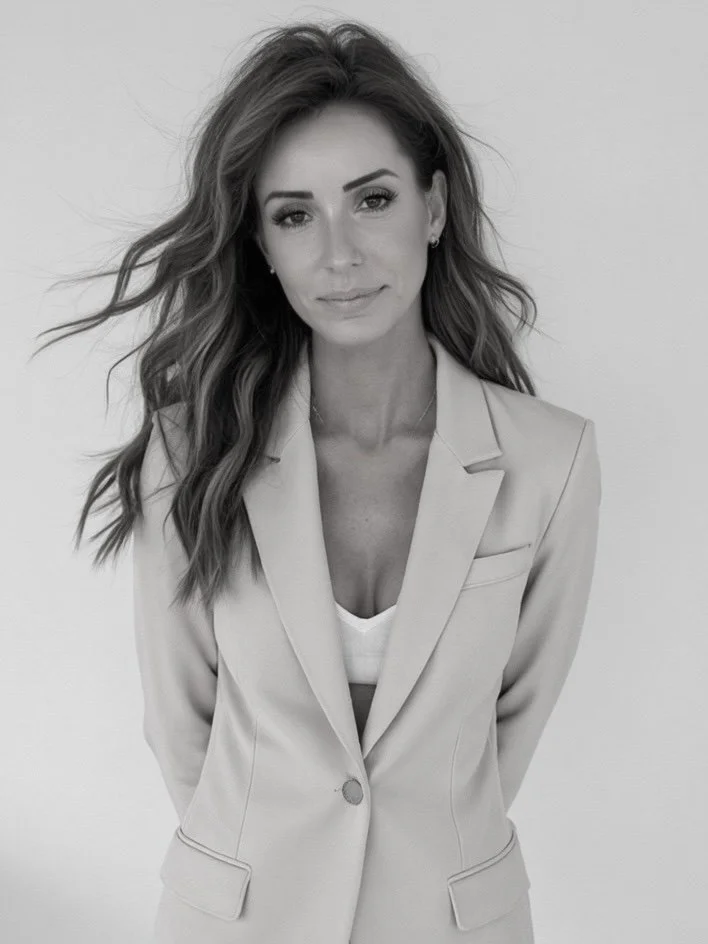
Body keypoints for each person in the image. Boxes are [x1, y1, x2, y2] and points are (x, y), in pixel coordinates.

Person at [35, 19, 601, 944]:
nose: (338, 254)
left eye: (371, 200)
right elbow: (182, 726)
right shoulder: (193, 450)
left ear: (435, 207)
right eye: (295, 214)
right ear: (260, 243)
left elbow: (511, 729)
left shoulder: (550, 461)